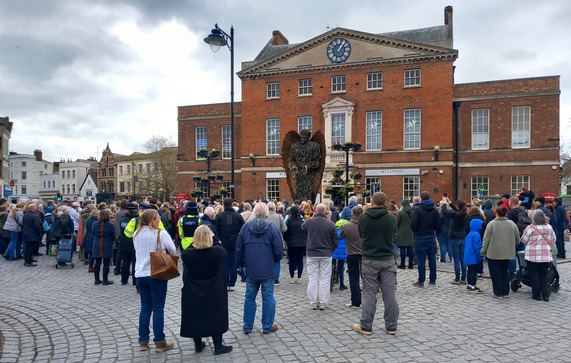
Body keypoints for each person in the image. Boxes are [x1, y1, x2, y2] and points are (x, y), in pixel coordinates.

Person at [180, 225, 232, 355]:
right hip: (214, 288)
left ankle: (198, 344)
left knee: (195, 315)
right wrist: (212, 238)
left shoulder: (188, 254)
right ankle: (218, 346)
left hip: (194, 288)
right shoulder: (217, 253)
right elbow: (220, 247)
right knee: (216, 314)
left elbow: (191, 248)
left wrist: (197, 240)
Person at [352, 192, 398, 336]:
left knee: (369, 293)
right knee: (389, 293)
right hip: (387, 258)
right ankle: (391, 326)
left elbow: (361, 234)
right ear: (385, 203)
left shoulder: (364, 217)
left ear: (372, 202)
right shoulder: (391, 218)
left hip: (370, 258)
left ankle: (366, 325)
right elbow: (394, 234)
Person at [235, 203, 282, 334]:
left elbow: (239, 249)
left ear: (255, 214)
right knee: (268, 297)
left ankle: (247, 325)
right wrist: (272, 261)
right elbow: (278, 251)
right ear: (266, 215)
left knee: (249, 297)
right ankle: (267, 326)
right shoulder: (272, 228)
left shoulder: (245, 228)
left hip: (251, 268)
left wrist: (241, 264)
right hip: (267, 268)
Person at [133, 209, 176, 352]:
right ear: (152, 220)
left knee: (145, 309)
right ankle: (159, 341)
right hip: (156, 273)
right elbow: (173, 250)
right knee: (158, 309)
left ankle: (143, 341)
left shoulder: (136, 234)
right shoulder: (160, 233)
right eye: (158, 218)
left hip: (140, 274)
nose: (159, 220)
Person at [302, 203, 339, 310]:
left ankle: (313, 301)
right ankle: (323, 302)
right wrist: (330, 249)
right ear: (325, 212)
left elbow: (302, 227)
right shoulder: (330, 224)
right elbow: (335, 240)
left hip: (312, 253)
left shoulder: (309, 222)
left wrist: (311, 218)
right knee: (325, 279)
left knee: (313, 278)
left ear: (315, 211)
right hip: (326, 253)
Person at [481, 206, 520, 298]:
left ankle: (497, 292)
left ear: (496, 214)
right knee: (504, 271)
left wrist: (483, 251)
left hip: (493, 253)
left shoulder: (491, 224)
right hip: (507, 252)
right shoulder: (511, 224)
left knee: (495, 273)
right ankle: (505, 291)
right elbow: (517, 239)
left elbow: (486, 239)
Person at [520, 210, 556, 301]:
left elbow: (523, 240)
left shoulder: (530, 228)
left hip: (532, 256)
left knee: (534, 275)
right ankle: (545, 295)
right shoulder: (549, 227)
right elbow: (553, 240)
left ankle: (536, 295)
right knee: (543, 275)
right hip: (545, 255)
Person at [411, 191, 441, 287]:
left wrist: (416, 230)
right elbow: (438, 225)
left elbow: (414, 224)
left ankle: (421, 281)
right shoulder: (435, 210)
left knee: (421, 260)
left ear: (421, 198)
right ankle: (432, 280)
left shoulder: (418, 210)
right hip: (431, 236)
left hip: (420, 237)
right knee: (432, 260)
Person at [215, 198, 245, 291]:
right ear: (232, 205)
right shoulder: (238, 216)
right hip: (235, 242)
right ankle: (232, 283)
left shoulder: (219, 216)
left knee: (224, 262)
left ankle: (224, 282)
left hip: (223, 242)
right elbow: (242, 229)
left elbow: (217, 229)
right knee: (233, 263)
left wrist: (219, 239)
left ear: (223, 205)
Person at [340, 205, 363, 308]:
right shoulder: (366, 225)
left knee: (354, 278)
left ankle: (355, 301)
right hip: (365, 254)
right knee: (368, 278)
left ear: (352, 214)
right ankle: (370, 300)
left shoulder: (346, 226)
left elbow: (342, 235)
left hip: (352, 254)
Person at [289, 129, 321, 201]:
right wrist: (293, 166)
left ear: (308, 138)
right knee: (298, 196)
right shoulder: (294, 147)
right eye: (302, 137)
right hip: (298, 176)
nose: (303, 139)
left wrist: (308, 166)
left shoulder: (314, 146)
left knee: (308, 197)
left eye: (305, 138)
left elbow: (317, 162)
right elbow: (292, 160)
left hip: (309, 176)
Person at [442, 199, 469, 285]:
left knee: (456, 260)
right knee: (463, 260)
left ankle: (457, 279)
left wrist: (445, 204)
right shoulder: (466, 214)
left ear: (458, 206)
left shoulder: (455, 215)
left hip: (454, 238)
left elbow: (445, 212)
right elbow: (457, 210)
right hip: (462, 237)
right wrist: (450, 203)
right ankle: (463, 278)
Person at [92, 209, 116, 285]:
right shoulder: (110, 225)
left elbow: (93, 233)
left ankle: (97, 279)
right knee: (106, 263)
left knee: (97, 263)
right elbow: (113, 236)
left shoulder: (95, 224)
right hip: (107, 244)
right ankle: (105, 279)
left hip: (97, 244)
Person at [283, 205, 307, 284]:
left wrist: (286, 240)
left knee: (291, 260)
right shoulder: (303, 220)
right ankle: (299, 277)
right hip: (301, 243)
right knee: (300, 260)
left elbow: (286, 232)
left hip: (291, 243)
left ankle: (292, 278)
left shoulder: (289, 220)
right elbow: (306, 231)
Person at [118, 203, 139, 286]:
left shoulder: (123, 219)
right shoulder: (137, 220)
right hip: (134, 243)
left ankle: (124, 279)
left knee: (125, 261)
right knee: (135, 262)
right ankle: (135, 281)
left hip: (124, 242)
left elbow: (120, 231)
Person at [266, 201, 286, 285]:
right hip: (278, 240)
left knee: (267, 259)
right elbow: (284, 229)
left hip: (266, 240)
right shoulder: (279, 216)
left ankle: (268, 276)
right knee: (277, 260)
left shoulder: (265, 217)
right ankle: (276, 279)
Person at [464, 219, 484, 293]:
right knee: (473, 272)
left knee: (469, 271)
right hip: (473, 257)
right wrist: (480, 256)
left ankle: (469, 284)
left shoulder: (469, 234)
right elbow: (477, 247)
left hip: (468, 256)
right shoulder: (476, 235)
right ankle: (472, 285)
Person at [396, 199, 414, 269]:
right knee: (410, 248)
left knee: (402, 248)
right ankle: (410, 264)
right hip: (411, 231)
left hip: (402, 232)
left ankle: (402, 264)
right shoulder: (412, 212)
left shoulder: (401, 213)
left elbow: (396, 223)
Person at [83, 208, 99, 273]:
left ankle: (90, 266)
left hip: (88, 236)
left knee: (91, 253)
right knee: (94, 253)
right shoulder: (96, 222)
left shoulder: (89, 220)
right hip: (94, 237)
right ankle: (93, 266)